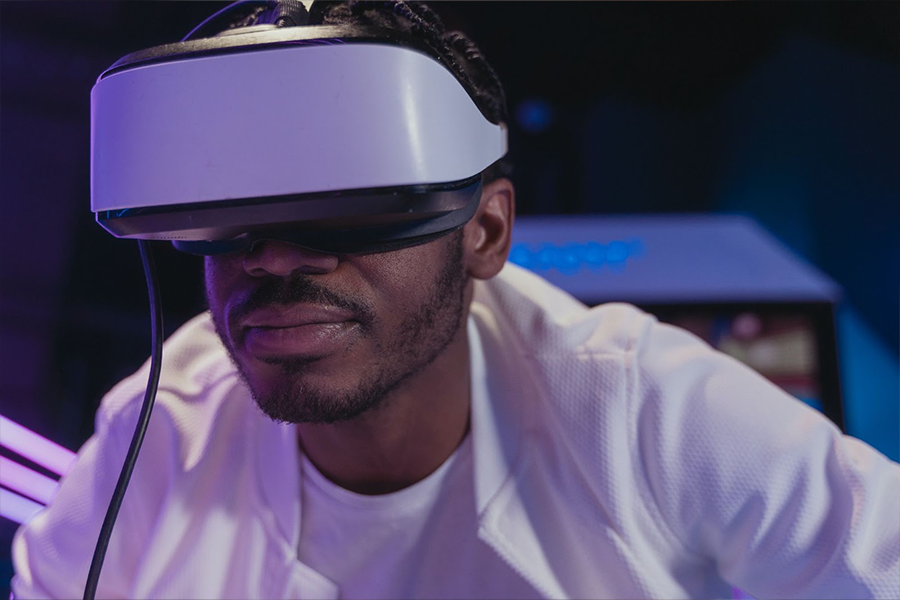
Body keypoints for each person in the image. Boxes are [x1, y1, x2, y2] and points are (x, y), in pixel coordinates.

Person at [11, 2, 900, 599]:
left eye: (350, 206)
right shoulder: (161, 431)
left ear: (484, 234)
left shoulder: (641, 408)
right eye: (230, 221)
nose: (275, 254)